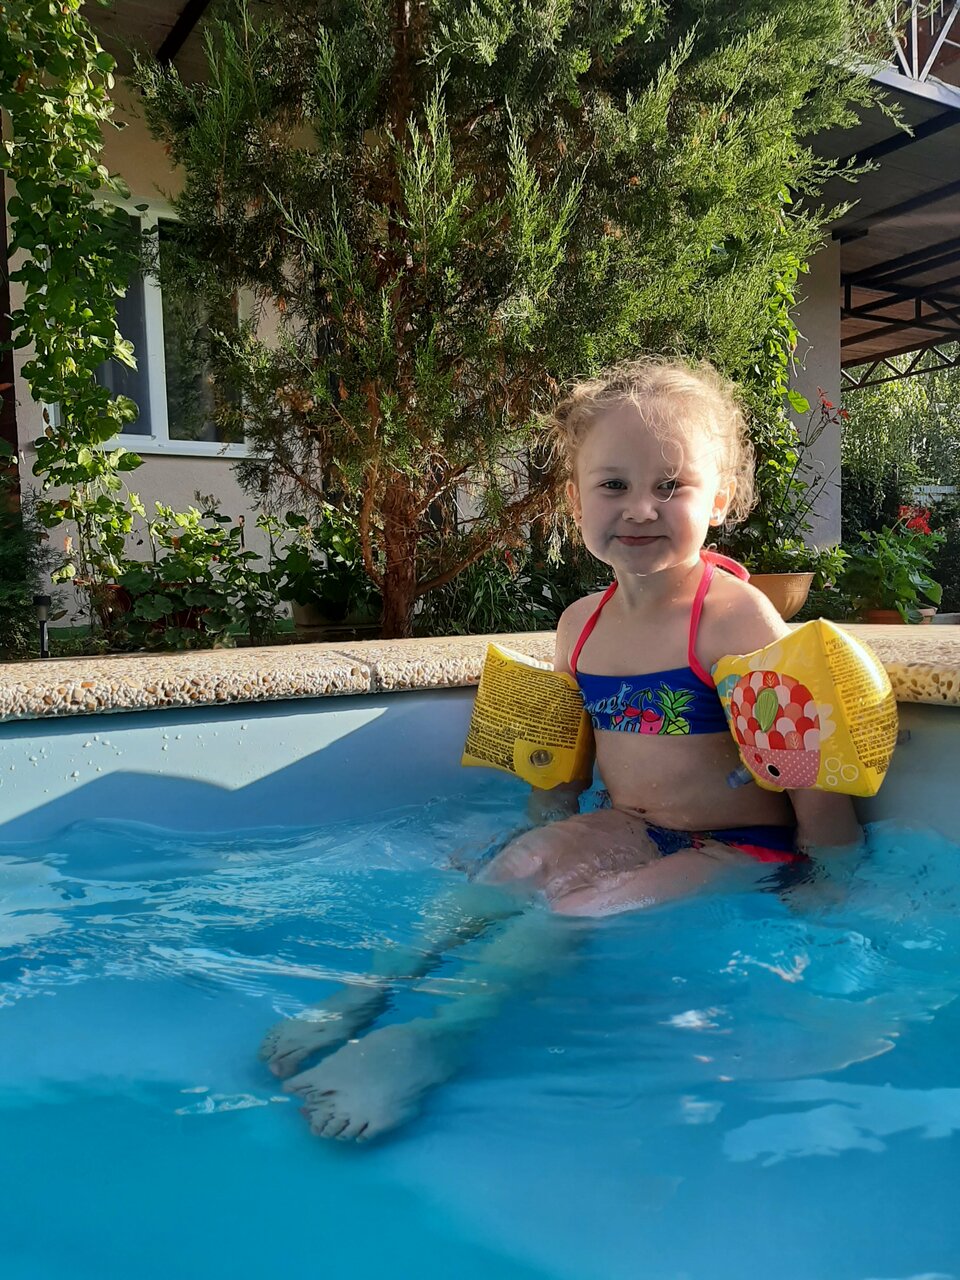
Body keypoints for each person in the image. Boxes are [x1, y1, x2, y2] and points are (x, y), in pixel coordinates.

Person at [261, 357, 862, 1140]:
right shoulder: (581, 625)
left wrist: (830, 872)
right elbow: (562, 767)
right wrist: (534, 830)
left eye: (671, 486)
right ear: (575, 501)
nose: (640, 508)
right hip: (630, 823)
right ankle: (365, 992)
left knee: (576, 911)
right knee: (507, 873)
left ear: (719, 500)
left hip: (737, 845)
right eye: (613, 485)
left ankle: (434, 1040)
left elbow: (804, 760)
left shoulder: (735, 619)